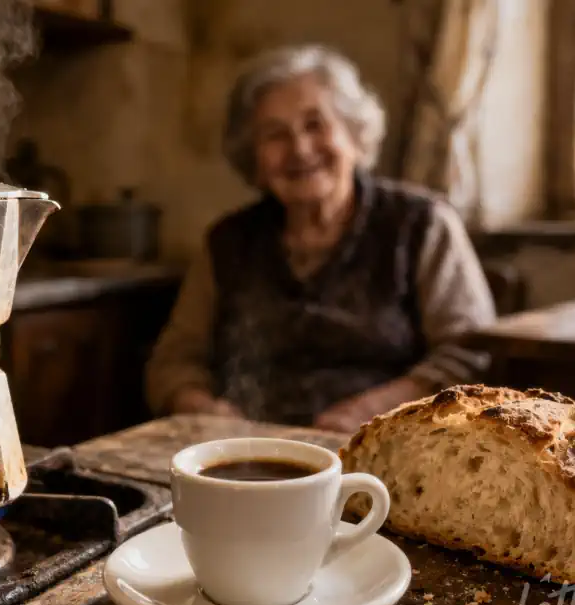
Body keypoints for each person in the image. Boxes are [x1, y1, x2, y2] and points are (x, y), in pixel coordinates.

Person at [144, 44, 496, 432]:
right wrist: (202, 409)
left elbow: (470, 354)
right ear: (253, 159)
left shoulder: (422, 225)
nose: (300, 149)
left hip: (385, 446)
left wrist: (372, 411)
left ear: (354, 135)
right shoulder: (228, 241)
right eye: (274, 135)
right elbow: (174, 359)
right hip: (247, 448)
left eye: (315, 125)